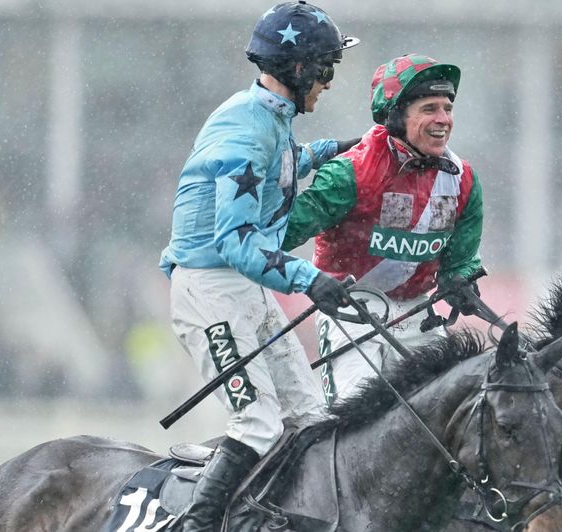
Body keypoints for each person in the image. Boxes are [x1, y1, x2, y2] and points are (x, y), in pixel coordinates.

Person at [158, 3, 358, 530]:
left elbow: (285, 164)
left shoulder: (266, 115)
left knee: (311, 419)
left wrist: (345, 149)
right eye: (327, 70)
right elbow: (237, 242)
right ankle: (197, 525)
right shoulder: (246, 130)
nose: (330, 83)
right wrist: (310, 279)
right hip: (209, 289)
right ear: (299, 70)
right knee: (259, 422)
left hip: (244, 289)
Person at [283, 53, 484, 405]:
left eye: (447, 108)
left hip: (418, 312)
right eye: (429, 109)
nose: (443, 120)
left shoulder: (464, 179)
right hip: (352, 310)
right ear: (395, 116)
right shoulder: (350, 173)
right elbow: (280, 235)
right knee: (354, 424)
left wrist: (461, 279)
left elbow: (460, 260)